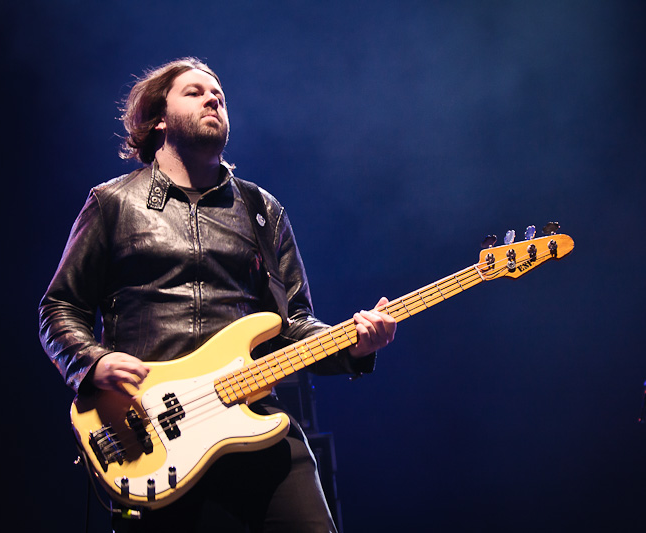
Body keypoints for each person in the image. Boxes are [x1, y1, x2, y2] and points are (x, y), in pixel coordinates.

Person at [38, 57, 396, 532]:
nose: (214, 99)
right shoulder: (112, 203)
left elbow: (293, 325)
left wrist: (353, 343)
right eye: (196, 92)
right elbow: (59, 308)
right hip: (151, 432)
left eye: (220, 95)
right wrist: (92, 362)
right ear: (158, 117)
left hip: (254, 423)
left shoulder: (261, 210)